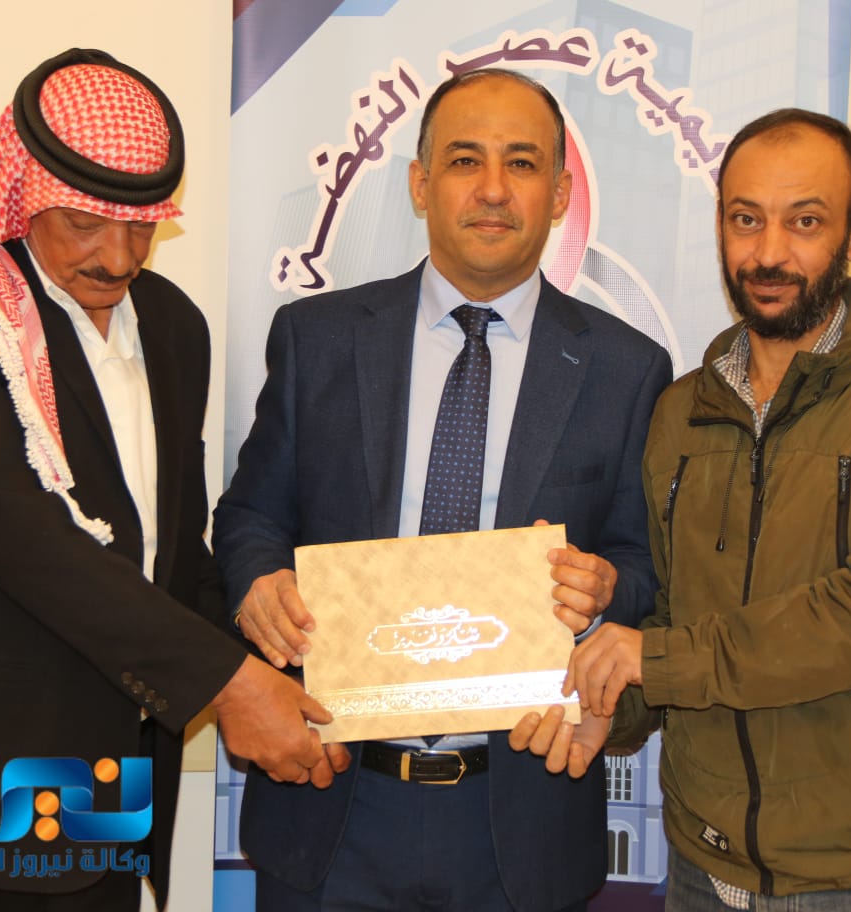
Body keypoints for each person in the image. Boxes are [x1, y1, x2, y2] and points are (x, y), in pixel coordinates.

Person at [0, 49, 333, 911]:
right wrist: (230, 684)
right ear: (24, 193)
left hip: (103, 801)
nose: (118, 256)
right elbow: (21, 536)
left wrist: (293, 661)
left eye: (143, 227)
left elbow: (170, 554)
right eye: (85, 223)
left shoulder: (173, 326)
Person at [214, 68, 673, 912]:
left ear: (561, 193)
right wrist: (257, 585)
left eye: (522, 163)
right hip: (332, 793)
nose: (493, 189)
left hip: (522, 812)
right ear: (421, 185)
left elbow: (645, 564)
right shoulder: (318, 339)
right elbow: (251, 514)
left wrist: (611, 587)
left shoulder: (627, 370)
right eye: (465, 161)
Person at [564, 109, 851, 910]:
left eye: (805, 222)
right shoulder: (680, 411)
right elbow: (672, 619)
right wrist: (607, 709)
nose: (768, 254)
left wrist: (658, 661)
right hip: (704, 871)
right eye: (745, 219)